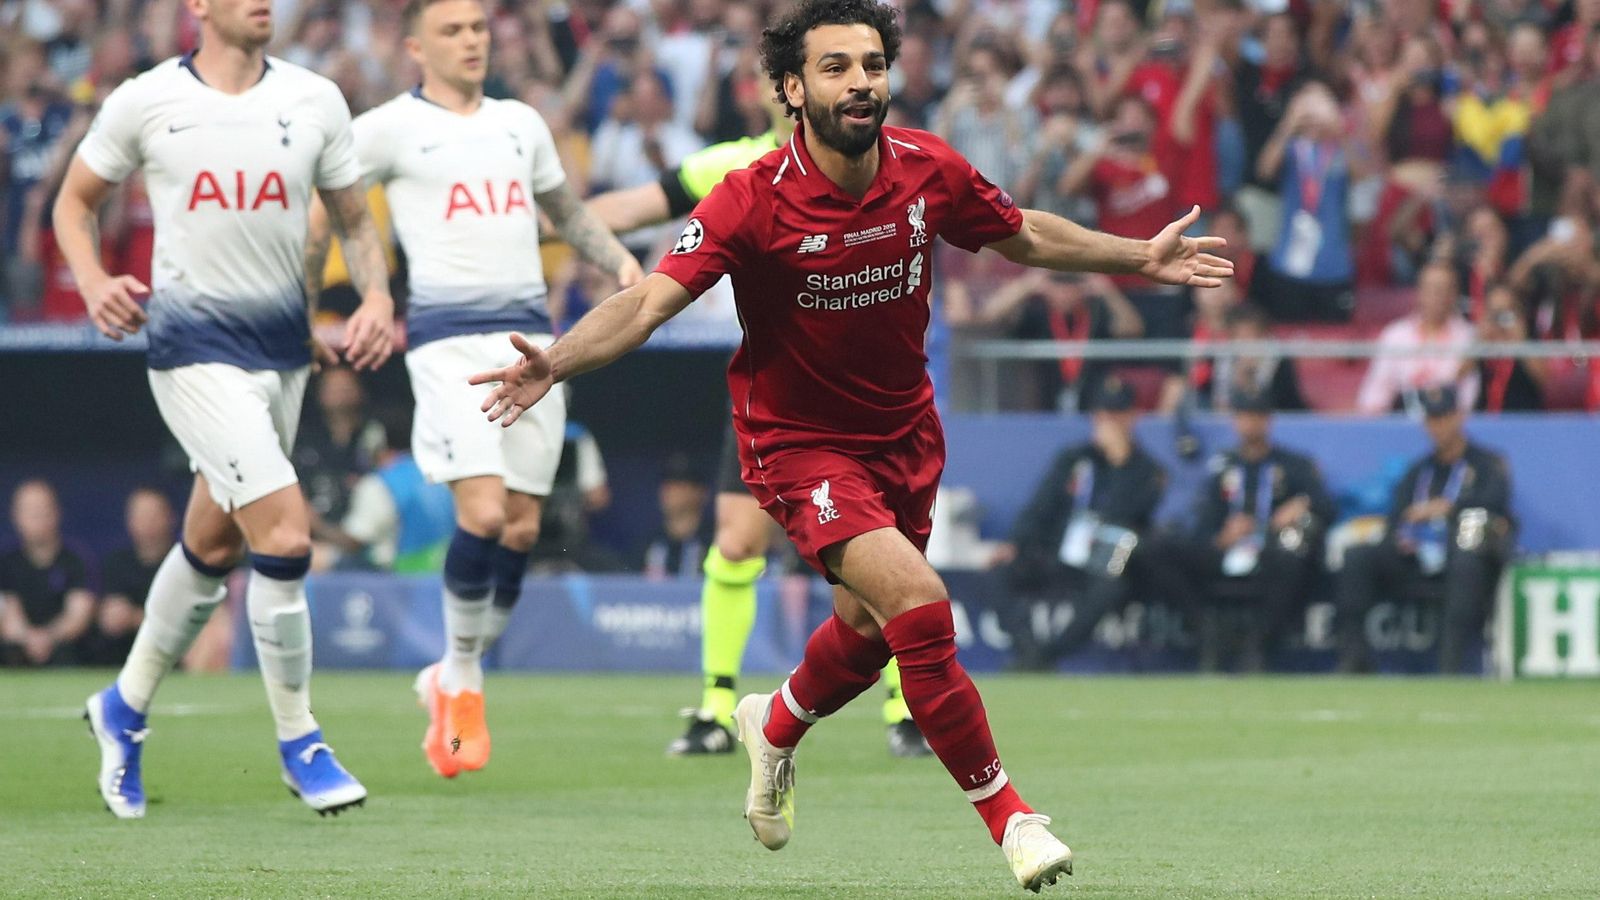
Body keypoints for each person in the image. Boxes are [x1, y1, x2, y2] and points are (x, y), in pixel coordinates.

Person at [470, 0, 1231, 887]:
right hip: (797, 444)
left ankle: (776, 724)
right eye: (835, 68)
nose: (860, 82)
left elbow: (1021, 232)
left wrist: (1137, 257)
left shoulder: (924, 168)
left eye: (871, 64)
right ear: (793, 88)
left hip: (904, 436)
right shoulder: (750, 197)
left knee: (868, 635)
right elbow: (646, 303)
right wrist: (556, 362)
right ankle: (1011, 817)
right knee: (918, 600)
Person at [53, 0, 395, 818]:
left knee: (212, 542)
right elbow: (73, 203)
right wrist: (96, 282)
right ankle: (300, 741)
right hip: (191, 354)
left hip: (282, 357)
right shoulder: (145, 100)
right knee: (283, 533)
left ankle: (123, 707)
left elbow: (351, 217)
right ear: (197, 7)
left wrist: (376, 293)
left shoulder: (315, 98)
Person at [305, 0, 640, 780]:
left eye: (480, 29)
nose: (471, 41)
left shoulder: (521, 123)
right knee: (483, 512)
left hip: (532, 344)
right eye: (453, 31)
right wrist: (347, 296)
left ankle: (454, 671)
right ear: (416, 46)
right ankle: (461, 676)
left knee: (522, 530)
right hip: (447, 340)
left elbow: (563, 211)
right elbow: (334, 204)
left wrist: (619, 261)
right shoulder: (387, 126)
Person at [586, 80, 929, 757]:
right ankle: (717, 708)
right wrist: (544, 217)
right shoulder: (735, 167)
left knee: (886, 556)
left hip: (870, 400)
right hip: (774, 401)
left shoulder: (888, 164)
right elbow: (633, 205)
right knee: (737, 541)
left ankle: (904, 706)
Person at [990, 380, 1176, 670]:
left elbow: (1125, 514)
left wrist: (1119, 462)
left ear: (1132, 417)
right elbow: (1042, 505)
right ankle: (1028, 649)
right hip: (1058, 551)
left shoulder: (1148, 470)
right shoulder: (1073, 459)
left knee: (1110, 588)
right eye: (1103, 416)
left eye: (1117, 416)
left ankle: (1049, 656)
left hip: (1103, 561)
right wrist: (1016, 542)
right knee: (998, 573)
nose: (1108, 424)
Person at [1335, 385, 1513, 675]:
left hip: (1462, 554)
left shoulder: (1486, 465)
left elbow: (1496, 504)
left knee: (1467, 559)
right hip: (1417, 555)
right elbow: (1397, 514)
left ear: (1458, 417)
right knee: (1358, 557)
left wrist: (1449, 509)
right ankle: (1354, 660)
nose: (1437, 426)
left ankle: (1450, 665)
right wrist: (1402, 535)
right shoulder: (1419, 470)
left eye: (1443, 417)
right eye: (1431, 419)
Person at [1184, 385, 1334, 672]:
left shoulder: (1293, 465)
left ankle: (1257, 646)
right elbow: (1202, 521)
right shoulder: (1221, 466)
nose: (1251, 422)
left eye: (1257, 415)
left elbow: (1326, 506)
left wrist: (1300, 503)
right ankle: (1206, 634)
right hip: (1227, 550)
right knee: (1164, 551)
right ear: (1234, 420)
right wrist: (1222, 536)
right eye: (1244, 415)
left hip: (1271, 551)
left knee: (1292, 558)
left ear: (1268, 420)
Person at [1356, 262, 1480, 415]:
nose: (1437, 296)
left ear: (1454, 294)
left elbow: (1468, 395)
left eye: (1443, 289)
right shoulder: (1396, 335)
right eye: (1430, 289)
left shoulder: (1469, 337)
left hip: (1451, 426)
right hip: (1401, 424)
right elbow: (1377, 391)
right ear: (1419, 292)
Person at [0, 480, 95, 667]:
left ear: (56, 512)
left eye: (42, 509)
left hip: (66, 653)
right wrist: (29, 638)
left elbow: (78, 616)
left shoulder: (76, 560)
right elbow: (7, 613)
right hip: (15, 653)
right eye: (29, 510)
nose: (36, 516)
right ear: (15, 515)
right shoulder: (6, 563)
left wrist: (47, 638)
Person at [86, 487, 176, 666]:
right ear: (130, 520)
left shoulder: (182, 563)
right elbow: (102, 614)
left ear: (171, 517)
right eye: (141, 516)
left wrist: (135, 618)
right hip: (118, 654)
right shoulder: (115, 562)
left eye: (153, 515)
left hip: (172, 656)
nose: (148, 523)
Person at [639, 454, 712, 580]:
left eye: (679, 484)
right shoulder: (647, 544)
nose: (669, 490)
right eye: (666, 483)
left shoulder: (715, 543)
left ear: (701, 492)